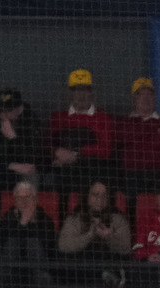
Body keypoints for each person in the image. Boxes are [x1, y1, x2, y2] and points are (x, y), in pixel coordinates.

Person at [46, 68, 114, 205]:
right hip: (63, 170)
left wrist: (75, 154)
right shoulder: (58, 117)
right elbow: (45, 144)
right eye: (76, 90)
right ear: (70, 93)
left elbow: (105, 149)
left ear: (91, 92)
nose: (80, 95)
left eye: (85, 90)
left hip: (92, 169)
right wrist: (56, 152)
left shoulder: (102, 118)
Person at [56, 179, 132, 283]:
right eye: (95, 195)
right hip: (81, 271)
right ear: (87, 196)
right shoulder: (74, 218)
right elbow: (63, 246)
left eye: (104, 195)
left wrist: (109, 237)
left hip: (109, 263)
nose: (100, 200)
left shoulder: (118, 219)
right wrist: (88, 236)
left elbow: (126, 248)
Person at [116, 78, 160, 198]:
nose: (146, 98)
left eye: (150, 95)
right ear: (134, 98)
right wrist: (153, 133)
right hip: (132, 176)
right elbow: (120, 138)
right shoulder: (124, 123)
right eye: (142, 95)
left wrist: (138, 135)